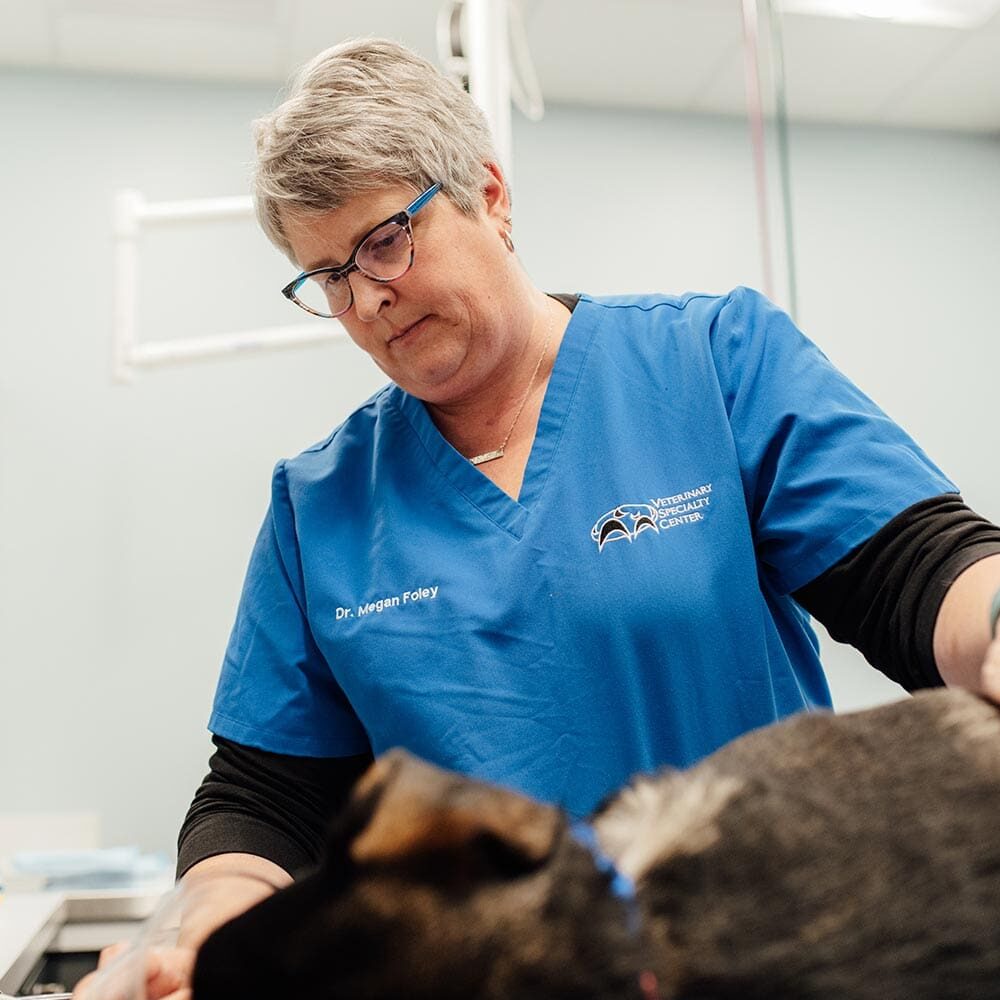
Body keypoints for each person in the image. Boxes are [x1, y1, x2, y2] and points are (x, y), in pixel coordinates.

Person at [77, 35, 1000, 1000]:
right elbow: (264, 797)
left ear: (491, 194)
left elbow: (920, 572)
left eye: (385, 240)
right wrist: (204, 920)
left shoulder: (712, 362)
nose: (369, 297)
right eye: (330, 277)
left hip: (764, 955)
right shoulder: (323, 504)